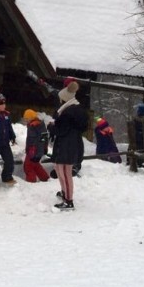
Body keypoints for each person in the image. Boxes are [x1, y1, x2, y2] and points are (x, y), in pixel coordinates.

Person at [50, 77, 88, 210]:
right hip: (73, 144)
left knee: (64, 173)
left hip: (65, 146)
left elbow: (61, 130)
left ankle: (68, 200)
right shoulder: (78, 109)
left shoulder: (68, 112)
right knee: (65, 172)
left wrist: (51, 127)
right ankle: (66, 194)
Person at [22, 109, 50, 182]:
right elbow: (43, 138)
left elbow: (39, 140)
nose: (25, 120)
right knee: (35, 165)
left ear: (31, 117)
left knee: (28, 167)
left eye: (27, 118)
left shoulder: (35, 126)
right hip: (36, 150)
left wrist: (35, 151)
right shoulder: (36, 125)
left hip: (33, 151)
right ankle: (45, 178)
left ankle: (31, 182)